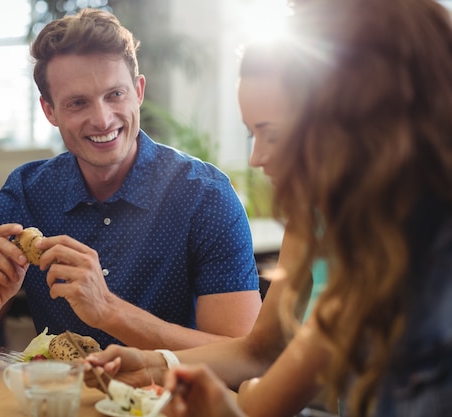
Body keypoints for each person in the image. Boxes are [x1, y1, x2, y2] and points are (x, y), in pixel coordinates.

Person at [89, 0, 452, 416]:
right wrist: (159, 363)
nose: (257, 159)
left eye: (274, 135)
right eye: (252, 136)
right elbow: (265, 356)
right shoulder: (350, 233)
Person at [0, 8, 262, 353]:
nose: (102, 119)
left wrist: (108, 310)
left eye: (115, 95)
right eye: (78, 102)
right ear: (49, 111)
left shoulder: (206, 196)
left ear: (138, 91)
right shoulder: (25, 194)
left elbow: (241, 357)